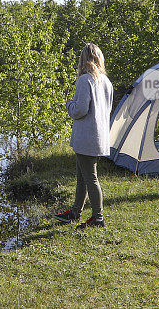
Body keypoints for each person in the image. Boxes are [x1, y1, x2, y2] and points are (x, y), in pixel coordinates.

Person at [53, 43, 113, 228]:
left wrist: (69, 104)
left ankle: (98, 218)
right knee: (82, 177)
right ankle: (75, 212)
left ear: (83, 60)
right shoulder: (106, 81)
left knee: (91, 178)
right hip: (98, 135)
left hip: (87, 136)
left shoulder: (85, 80)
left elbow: (80, 110)